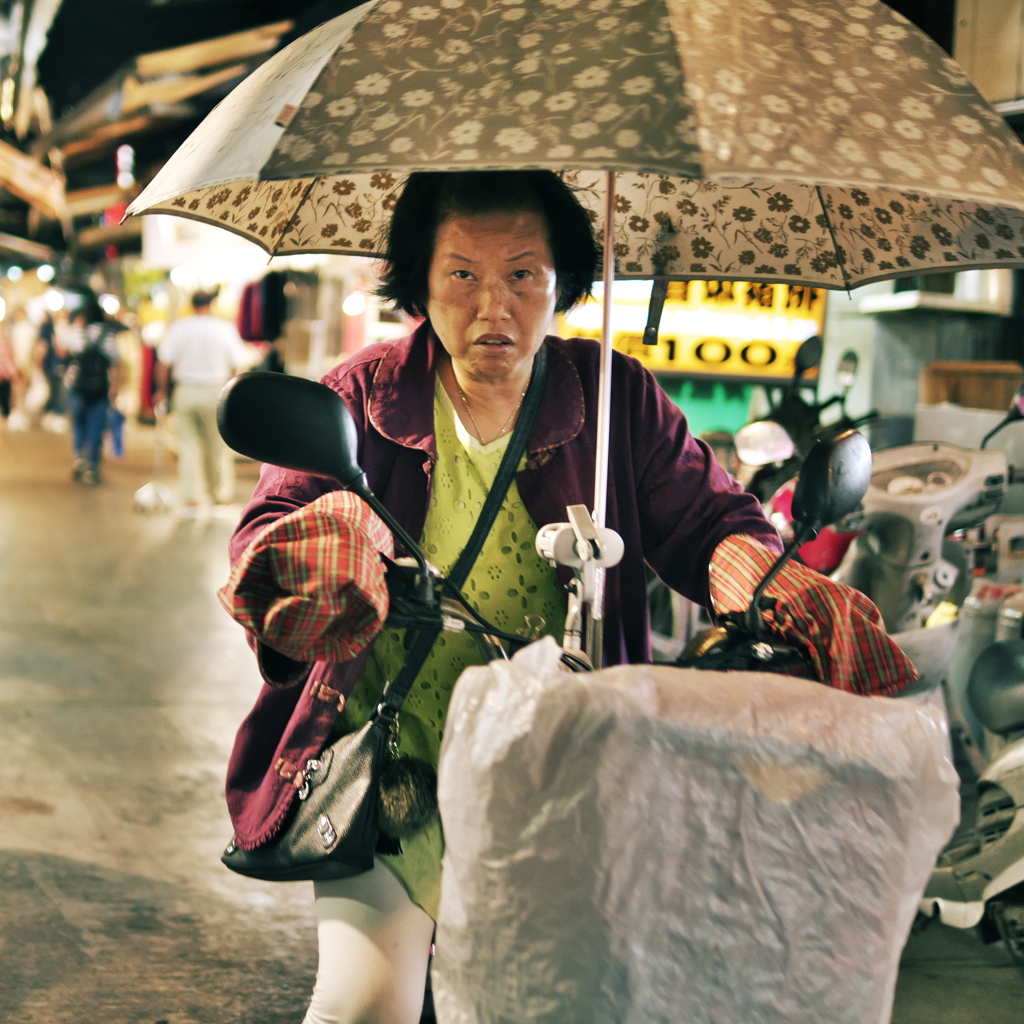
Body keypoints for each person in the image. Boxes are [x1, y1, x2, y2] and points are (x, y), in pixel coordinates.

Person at [219, 171, 917, 1024]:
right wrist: (325, 548)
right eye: (462, 274)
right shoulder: (363, 396)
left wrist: (781, 588)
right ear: (420, 279)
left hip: (564, 766)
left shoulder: (616, 399)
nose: (493, 307)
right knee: (366, 1004)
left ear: (563, 283)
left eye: (523, 275)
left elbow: (708, 521)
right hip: (397, 768)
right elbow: (273, 523)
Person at [155, 290, 252, 513]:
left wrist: (162, 391)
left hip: (185, 389)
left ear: (192, 305)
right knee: (217, 445)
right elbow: (239, 362)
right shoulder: (223, 328)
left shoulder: (179, 328)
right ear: (211, 304)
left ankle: (191, 496)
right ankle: (220, 494)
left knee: (188, 445)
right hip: (215, 390)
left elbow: (163, 362)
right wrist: (232, 388)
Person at [64, 301, 121, 485]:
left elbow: (64, 348)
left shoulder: (77, 332)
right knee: (96, 426)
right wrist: (116, 387)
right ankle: (92, 465)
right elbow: (115, 361)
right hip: (100, 386)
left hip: (77, 384)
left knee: (78, 423)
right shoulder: (108, 334)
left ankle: (79, 456)